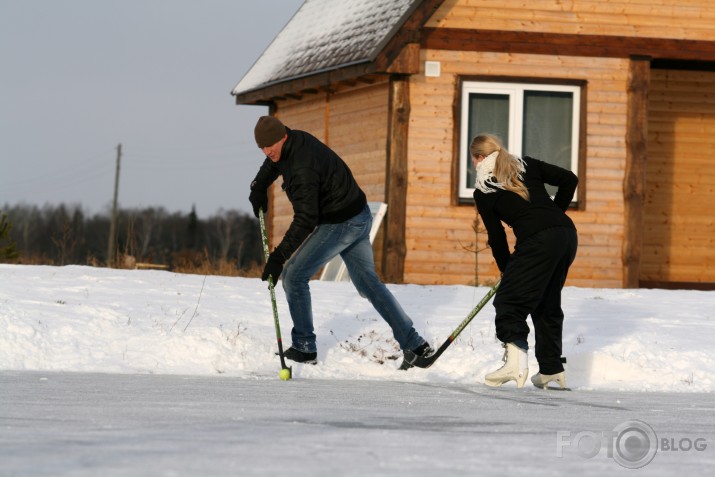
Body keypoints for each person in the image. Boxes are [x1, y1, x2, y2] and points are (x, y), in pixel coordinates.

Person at [248, 115, 432, 367]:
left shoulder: (302, 166)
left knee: (293, 276)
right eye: (262, 147)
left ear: (283, 137)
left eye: (271, 145)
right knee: (369, 283)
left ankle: (304, 347)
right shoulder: (292, 142)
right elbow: (273, 163)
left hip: (341, 224)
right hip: (358, 213)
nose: (267, 151)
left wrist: (279, 258)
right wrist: (259, 186)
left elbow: (305, 219)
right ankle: (415, 345)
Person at [471, 133, 578, 389]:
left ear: (481, 157)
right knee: (546, 301)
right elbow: (569, 179)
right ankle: (552, 370)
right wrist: (554, 214)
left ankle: (515, 363)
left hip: (539, 241)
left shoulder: (484, 189)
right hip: (566, 234)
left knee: (509, 301)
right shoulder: (526, 164)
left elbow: (497, 238)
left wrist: (508, 271)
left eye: (474, 159)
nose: (474, 165)